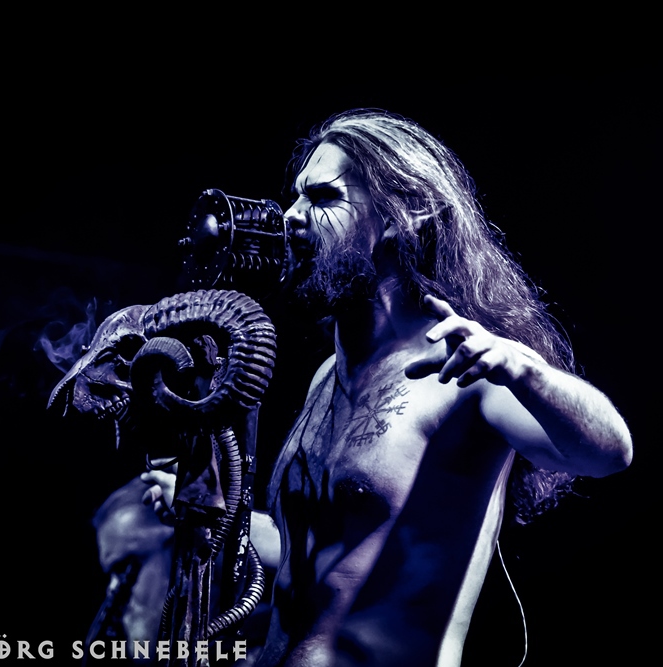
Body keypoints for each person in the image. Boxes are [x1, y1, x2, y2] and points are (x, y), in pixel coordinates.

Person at [144, 108, 633, 666]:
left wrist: (525, 370)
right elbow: (329, 555)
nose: (291, 217)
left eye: (323, 197)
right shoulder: (325, 378)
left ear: (404, 215)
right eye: (296, 196)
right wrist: (214, 509)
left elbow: (609, 453)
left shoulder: (464, 373)